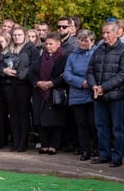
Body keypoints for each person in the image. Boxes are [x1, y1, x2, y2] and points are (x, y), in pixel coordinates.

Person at [87, 21, 124, 167]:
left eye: (108, 32)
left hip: (116, 96)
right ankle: (104, 155)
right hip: (99, 95)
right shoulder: (99, 49)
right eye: (103, 32)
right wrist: (94, 86)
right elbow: (90, 70)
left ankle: (117, 157)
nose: (105, 35)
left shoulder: (122, 50)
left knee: (118, 128)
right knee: (101, 127)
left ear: (116, 33)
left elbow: (122, 75)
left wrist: (104, 87)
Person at [29, 33, 69, 155]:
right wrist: (37, 82)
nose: (48, 46)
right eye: (46, 44)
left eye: (51, 44)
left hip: (55, 91)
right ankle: (44, 144)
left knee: (55, 120)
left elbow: (65, 75)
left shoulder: (64, 57)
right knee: (41, 119)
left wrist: (52, 83)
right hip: (40, 91)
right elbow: (31, 72)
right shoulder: (41, 57)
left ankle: (53, 145)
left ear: (58, 44)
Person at [63, 29, 97, 161]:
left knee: (94, 124)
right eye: (80, 40)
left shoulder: (97, 53)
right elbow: (67, 74)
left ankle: (97, 148)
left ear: (92, 41)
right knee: (81, 124)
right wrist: (81, 82)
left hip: (93, 93)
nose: (82, 43)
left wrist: (90, 82)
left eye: (85, 40)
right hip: (77, 94)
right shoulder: (73, 55)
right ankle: (85, 150)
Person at [0, 27, 34, 152]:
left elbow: (33, 66)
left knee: (23, 114)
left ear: (24, 35)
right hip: (9, 85)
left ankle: (23, 142)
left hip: (23, 85)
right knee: (13, 114)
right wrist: (4, 70)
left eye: (19, 35)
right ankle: (15, 141)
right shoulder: (8, 49)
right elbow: (0, 63)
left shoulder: (31, 48)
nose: (17, 37)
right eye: (14, 35)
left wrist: (20, 74)